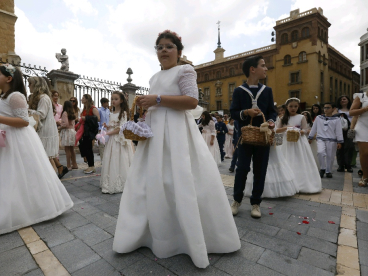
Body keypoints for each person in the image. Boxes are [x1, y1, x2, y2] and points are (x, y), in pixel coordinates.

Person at [113, 30, 240, 268]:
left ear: (178, 52)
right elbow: (156, 103)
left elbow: (191, 101)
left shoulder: (185, 70)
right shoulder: (153, 77)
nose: (163, 50)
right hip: (155, 133)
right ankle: (154, 234)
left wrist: (157, 99)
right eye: (159, 46)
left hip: (177, 133)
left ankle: (185, 238)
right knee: (153, 181)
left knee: (179, 180)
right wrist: (145, 106)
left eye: (169, 46)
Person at [0, 64, 73, 238]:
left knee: (20, 175)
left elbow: (24, 121)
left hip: (17, 140)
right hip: (2, 139)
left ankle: (30, 208)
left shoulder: (16, 96)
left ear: (8, 79)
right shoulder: (2, 99)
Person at [229, 55, 277, 218]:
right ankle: (236, 200)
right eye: (263, 65)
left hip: (262, 137)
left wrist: (270, 121)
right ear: (252, 69)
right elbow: (234, 112)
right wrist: (246, 112)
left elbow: (272, 110)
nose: (266, 68)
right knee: (242, 168)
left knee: (260, 170)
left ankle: (256, 203)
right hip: (245, 136)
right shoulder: (239, 91)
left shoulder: (267, 90)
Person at [277, 98, 321, 193]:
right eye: (291, 106)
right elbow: (277, 130)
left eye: (295, 106)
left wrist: (299, 131)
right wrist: (287, 128)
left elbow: (305, 129)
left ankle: (300, 183)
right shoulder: (282, 118)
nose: (293, 108)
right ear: (287, 107)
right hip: (286, 141)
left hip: (299, 142)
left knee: (299, 160)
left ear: (298, 107)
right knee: (286, 159)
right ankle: (286, 183)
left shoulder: (301, 117)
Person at [28, 77, 68, 179]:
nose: (28, 86)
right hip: (44, 129)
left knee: (47, 156)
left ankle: (53, 180)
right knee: (47, 157)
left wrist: (27, 111)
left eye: (30, 84)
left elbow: (41, 114)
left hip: (46, 130)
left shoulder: (44, 98)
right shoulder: (40, 97)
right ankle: (53, 178)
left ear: (37, 85)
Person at [100, 92, 133, 194]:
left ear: (121, 101)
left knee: (119, 158)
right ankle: (110, 181)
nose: (113, 101)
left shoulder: (123, 113)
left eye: (116, 99)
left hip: (118, 139)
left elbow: (120, 128)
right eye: (112, 99)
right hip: (112, 140)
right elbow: (113, 125)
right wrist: (107, 126)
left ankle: (121, 182)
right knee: (111, 159)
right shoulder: (111, 113)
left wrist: (108, 133)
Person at [309, 102, 343, 179]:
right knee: (320, 152)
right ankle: (322, 168)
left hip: (332, 140)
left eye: (328, 108)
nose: (326, 109)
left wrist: (339, 141)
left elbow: (338, 131)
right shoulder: (319, 118)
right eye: (324, 107)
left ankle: (328, 171)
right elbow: (314, 128)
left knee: (330, 156)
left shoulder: (336, 119)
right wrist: (310, 137)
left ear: (333, 109)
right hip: (320, 138)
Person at [76, 94, 100, 174]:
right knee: (84, 147)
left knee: (89, 149)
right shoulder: (84, 109)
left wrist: (86, 118)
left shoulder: (93, 108)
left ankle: (91, 166)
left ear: (87, 99)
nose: (81, 99)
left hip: (89, 131)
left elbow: (98, 118)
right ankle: (90, 165)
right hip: (84, 131)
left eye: (83, 98)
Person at [349, 92, 368, 186]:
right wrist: (365, 109)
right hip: (363, 126)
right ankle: (365, 176)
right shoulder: (361, 96)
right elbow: (351, 112)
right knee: (364, 153)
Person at [336, 95, 353, 172]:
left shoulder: (352, 109)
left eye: (344, 99)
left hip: (349, 129)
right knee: (340, 148)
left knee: (349, 147)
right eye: (341, 99)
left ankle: (348, 165)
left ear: (348, 100)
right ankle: (340, 165)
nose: (342, 100)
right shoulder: (337, 110)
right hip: (339, 130)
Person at [60, 101, 78, 170]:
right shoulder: (72, 113)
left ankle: (68, 165)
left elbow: (65, 124)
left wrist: (60, 126)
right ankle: (74, 164)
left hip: (67, 132)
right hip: (72, 131)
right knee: (72, 149)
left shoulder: (65, 113)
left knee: (67, 149)